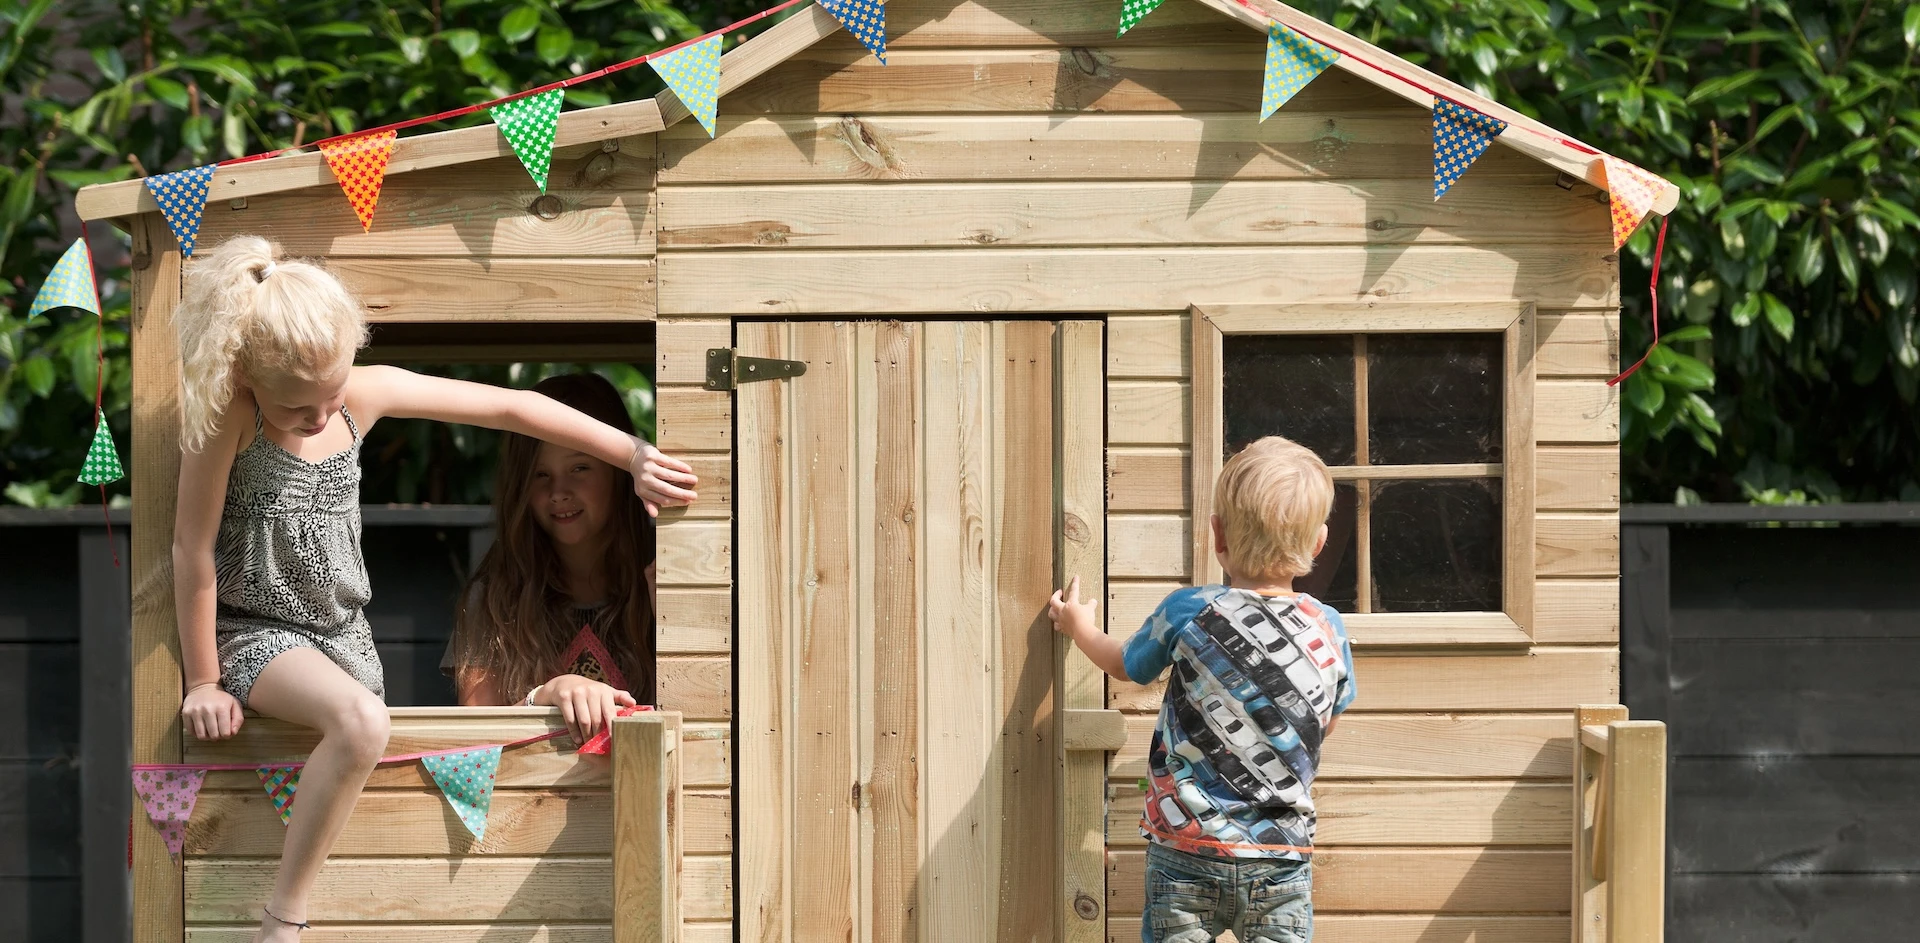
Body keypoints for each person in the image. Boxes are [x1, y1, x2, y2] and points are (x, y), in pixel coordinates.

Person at [170, 236, 698, 943]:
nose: (324, 416)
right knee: (361, 724)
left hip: (342, 641)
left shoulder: (361, 395)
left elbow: (511, 408)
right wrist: (205, 679)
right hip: (257, 631)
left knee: (373, 738)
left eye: (333, 393)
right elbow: (191, 550)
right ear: (248, 376)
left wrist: (631, 454)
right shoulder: (231, 418)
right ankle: (281, 920)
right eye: (301, 408)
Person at [1049, 436, 1356, 943]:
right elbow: (1326, 720)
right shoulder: (1328, 627)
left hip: (1185, 849)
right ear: (1319, 542)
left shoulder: (1190, 610)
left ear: (1217, 534)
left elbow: (1125, 664)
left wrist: (1078, 625)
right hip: (1282, 857)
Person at [444, 373, 664, 743]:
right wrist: (544, 696)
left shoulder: (666, 579)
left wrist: (669, 618)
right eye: (539, 474)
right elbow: (474, 745)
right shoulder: (493, 599)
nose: (558, 491)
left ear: (621, 474)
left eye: (580, 468)